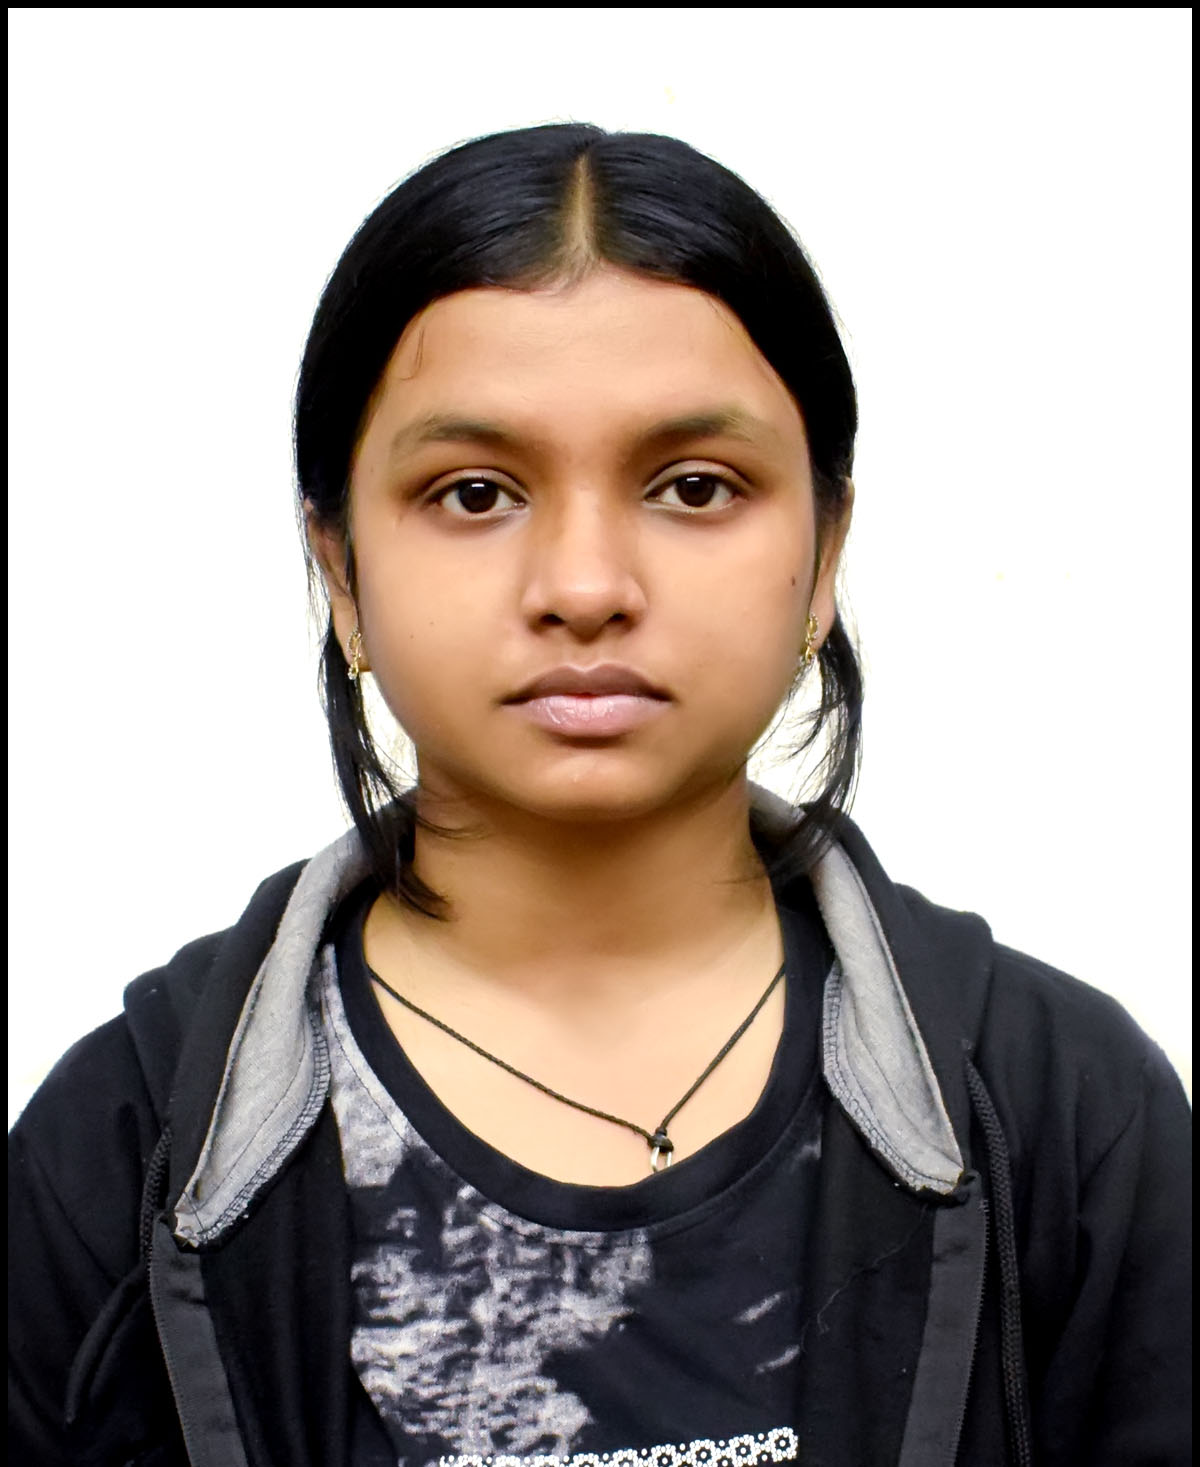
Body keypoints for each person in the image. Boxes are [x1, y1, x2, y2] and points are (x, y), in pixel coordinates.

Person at [8, 122, 1190, 1467]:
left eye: (694, 487)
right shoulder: (121, 1155)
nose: (583, 586)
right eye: (474, 493)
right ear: (341, 571)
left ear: (823, 556)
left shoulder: (1065, 1118)